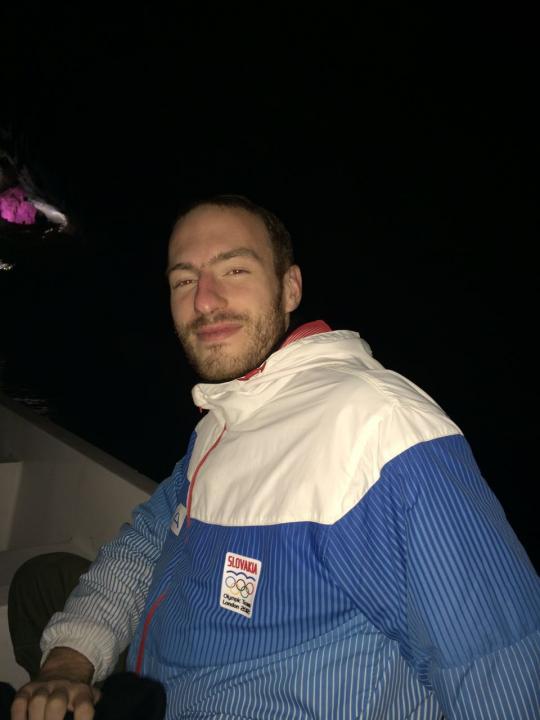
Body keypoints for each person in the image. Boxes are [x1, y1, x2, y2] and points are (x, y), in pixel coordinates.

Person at [10, 195, 540, 719]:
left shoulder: (380, 429)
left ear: (290, 288)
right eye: (184, 280)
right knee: (41, 579)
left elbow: (501, 672)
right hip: (162, 681)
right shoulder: (228, 415)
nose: (205, 302)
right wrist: (69, 661)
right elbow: (149, 538)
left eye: (234, 270)